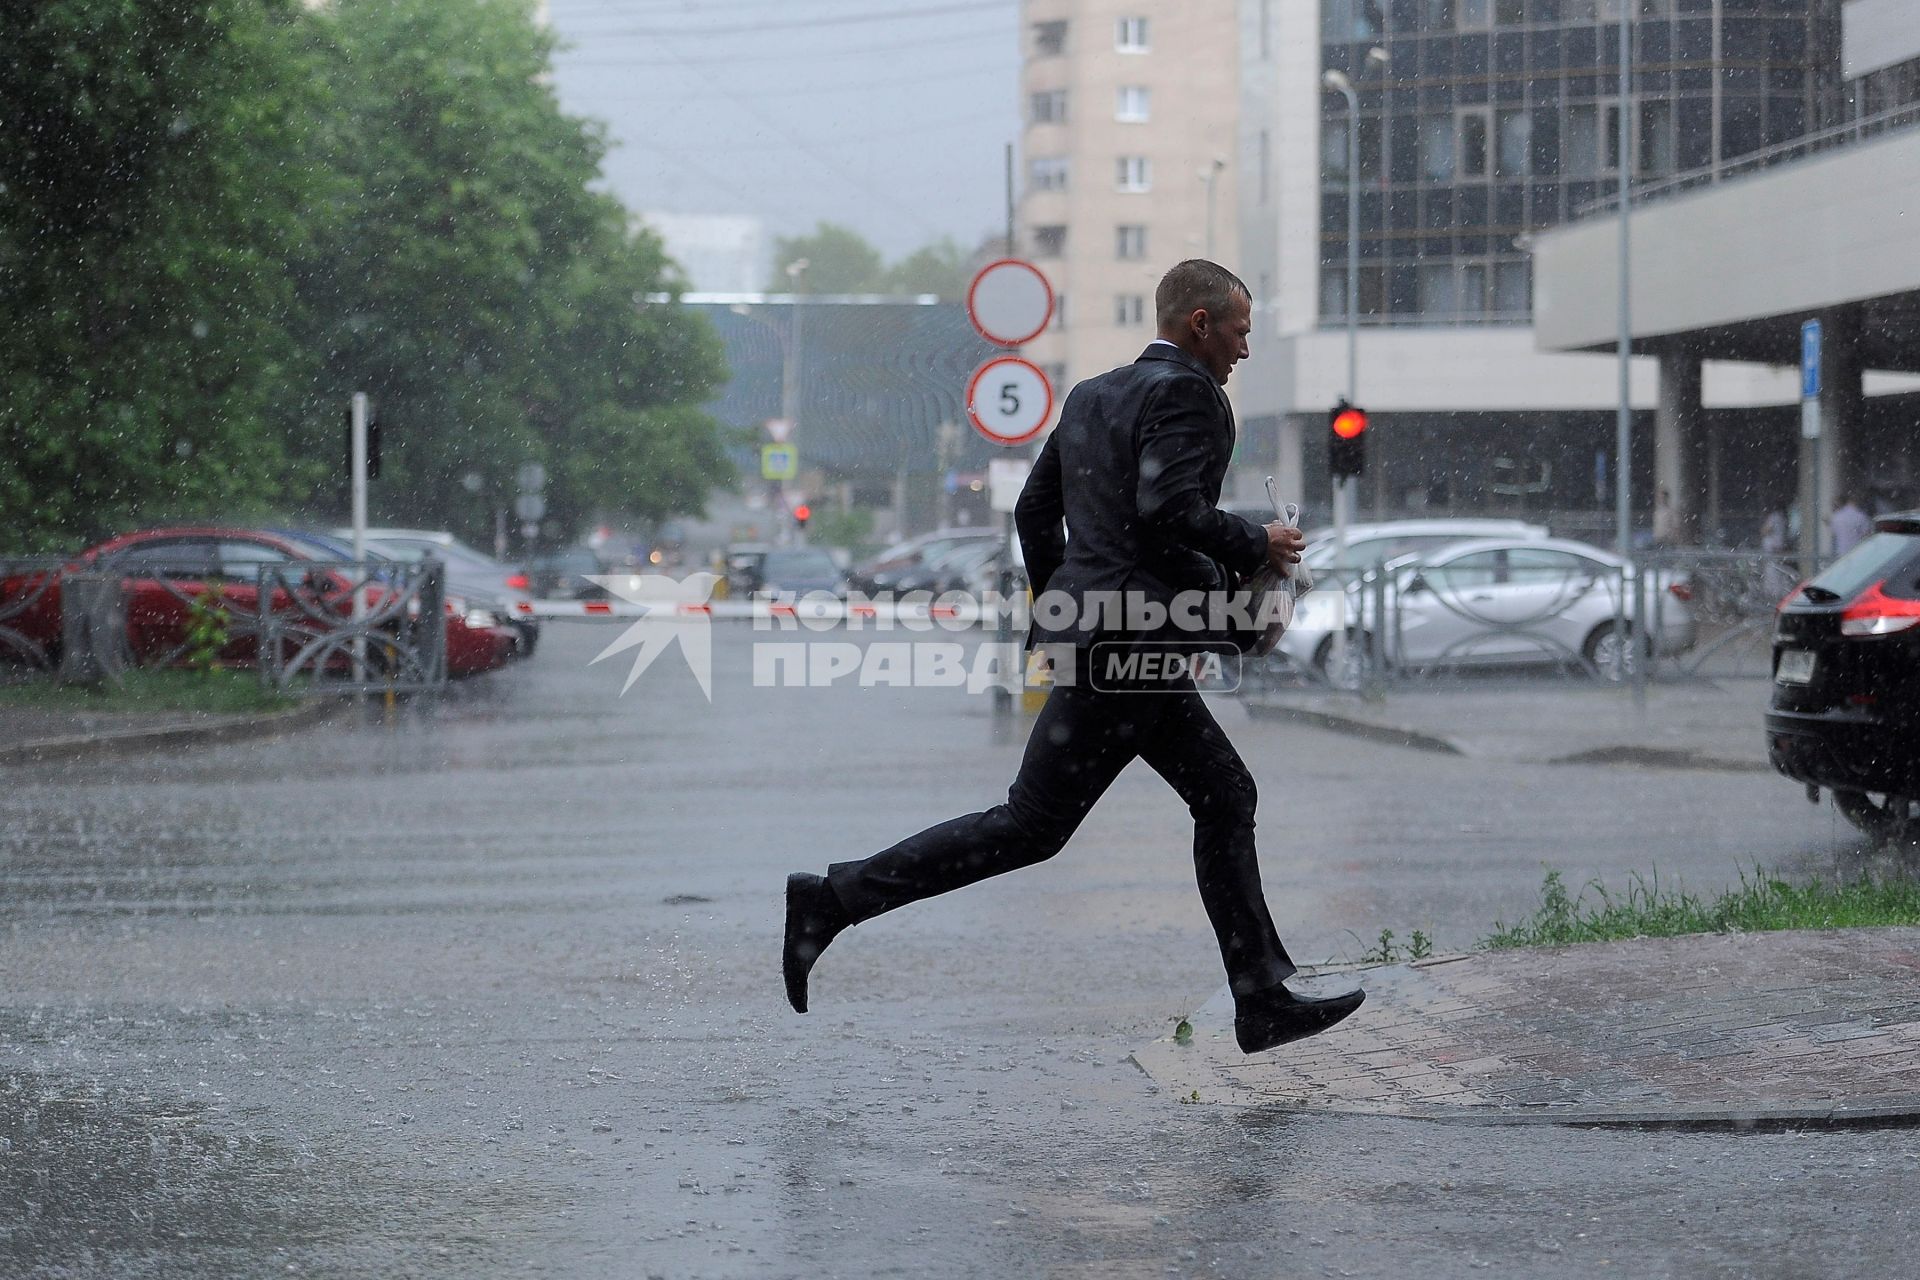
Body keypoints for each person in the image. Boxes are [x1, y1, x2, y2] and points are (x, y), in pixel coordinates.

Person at [781, 260, 1365, 1054]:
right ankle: (834, 898)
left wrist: (1065, 603)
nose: (1244, 349)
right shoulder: (1191, 394)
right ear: (1200, 324)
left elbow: (1036, 511)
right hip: (1133, 643)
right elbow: (1169, 510)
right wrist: (1256, 541)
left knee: (1212, 796)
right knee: (1048, 824)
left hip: (1107, 637)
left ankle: (1260, 993)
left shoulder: (1094, 393)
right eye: (1239, 330)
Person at [1831, 492, 1870, 558]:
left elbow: (1834, 533)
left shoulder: (1837, 517)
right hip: (1856, 551)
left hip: (1841, 552)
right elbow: (1866, 534)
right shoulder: (1860, 516)